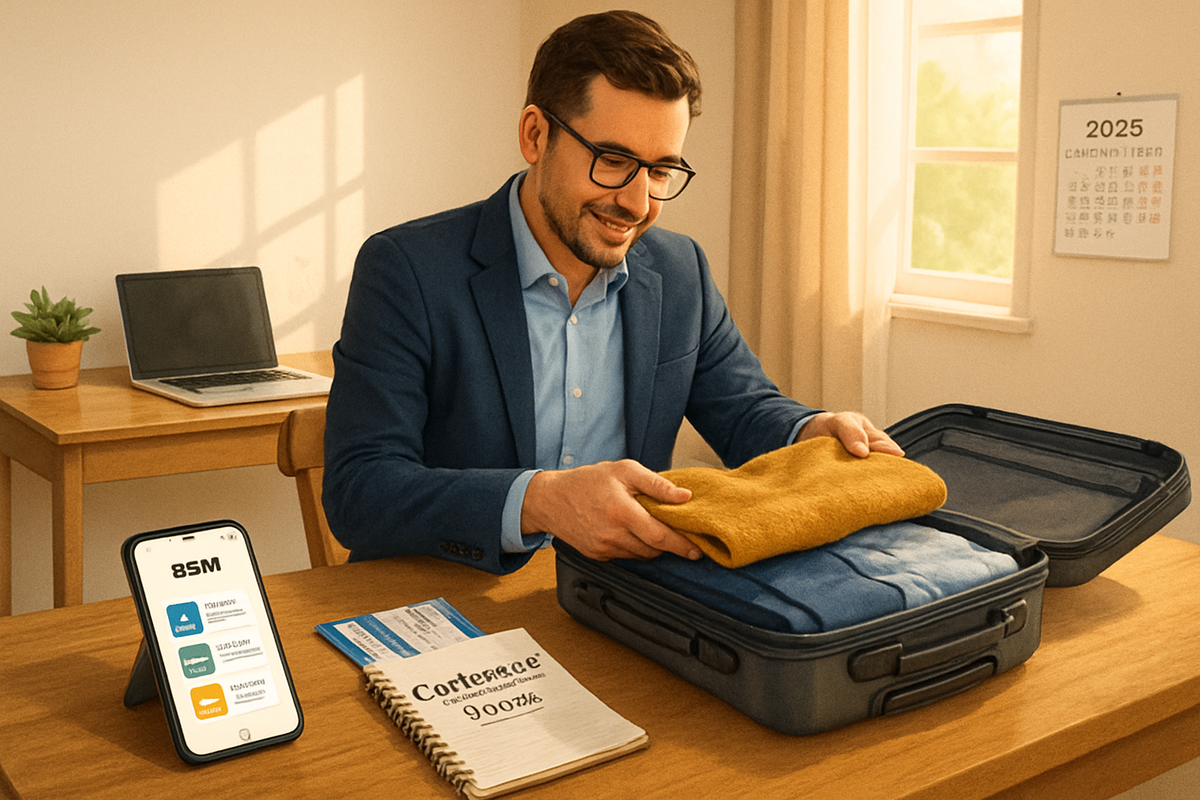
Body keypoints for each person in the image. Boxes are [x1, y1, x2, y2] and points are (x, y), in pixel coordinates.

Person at [323, 10, 902, 575]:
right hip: (446, 597)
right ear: (535, 135)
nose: (637, 203)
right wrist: (540, 501)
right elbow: (359, 490)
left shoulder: (680, 271)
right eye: (614, 159)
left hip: (613, 598)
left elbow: (745, 410)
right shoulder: (406, 269)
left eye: (660, 171)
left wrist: (810, 431)